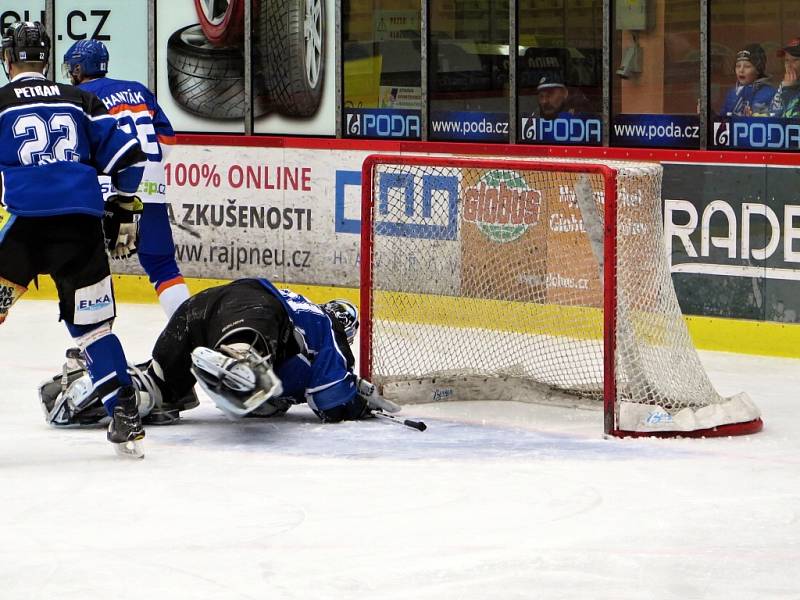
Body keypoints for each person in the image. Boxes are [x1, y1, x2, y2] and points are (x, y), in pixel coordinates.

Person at [0, 21, 148, 457]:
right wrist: (123, 203)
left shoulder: (1, 102)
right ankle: (124, 414)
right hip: (79, 229)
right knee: (93, 328)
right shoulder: (82, 99)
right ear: (46, 59)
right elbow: (129, 158)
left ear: (7, 60)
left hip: (23, 231)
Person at [39, 278, 399, 427]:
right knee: (249, 349)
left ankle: (97, 389)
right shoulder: (325, 327)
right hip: (249, 307)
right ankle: (240, 357)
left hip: (199, 309)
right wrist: (358, 403)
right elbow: (331, 402)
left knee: (162, 389)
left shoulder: (299, 321)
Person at [62, 39, 190, 316]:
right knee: (162, 266)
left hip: (104, 191)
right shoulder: (138, 90)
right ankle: (189, 339)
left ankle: (95, 343)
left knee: (87, 266)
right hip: (150, 187)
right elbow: (167, 139)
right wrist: (144, 171)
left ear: (78, 68)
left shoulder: (78, 97)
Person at [720, 44, 775, 116]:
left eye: (747, 66)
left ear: (758, 69)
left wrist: (750, 120)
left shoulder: (770, 94)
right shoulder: (732, 94)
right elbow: (721, 120)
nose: (741, 70)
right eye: (738, 66)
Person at [769, 37, 800, 118]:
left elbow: (794, 119)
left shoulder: (788, 87)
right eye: (786, 60)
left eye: (795, 60)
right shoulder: (785, 84)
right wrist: (786, 88)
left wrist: (789, 91)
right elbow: (773, 116)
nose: (789, 65)